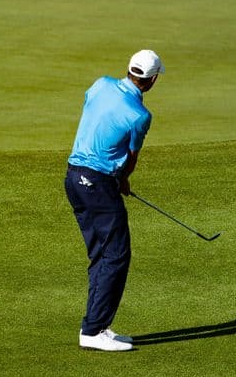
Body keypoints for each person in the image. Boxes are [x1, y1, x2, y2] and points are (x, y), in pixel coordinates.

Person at [64, 49, 165, 351]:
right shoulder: (140, 116)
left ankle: (96, 326)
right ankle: (93, 331)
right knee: (116, 255)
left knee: (102, 254)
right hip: (98, 185)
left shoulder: (101, 84)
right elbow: (131, 157)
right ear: (152, 80)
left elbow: (90, 112)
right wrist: (121, 180)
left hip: (74, 178)